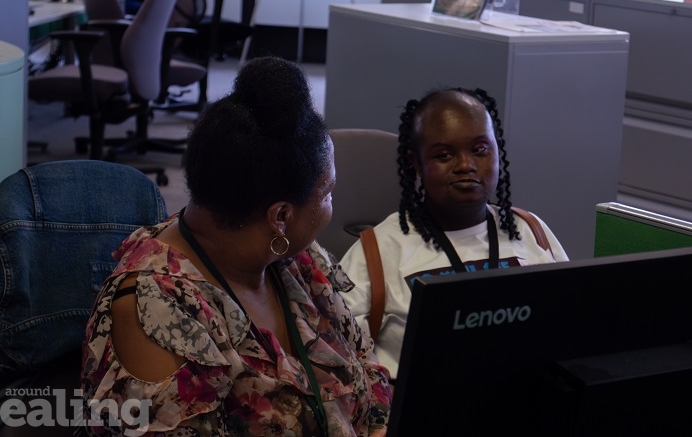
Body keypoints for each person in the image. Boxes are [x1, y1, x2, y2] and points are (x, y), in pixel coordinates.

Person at [81, 56, 392, 436]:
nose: (332, 206)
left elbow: (365, 366)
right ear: (280, 216)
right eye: (327, 193)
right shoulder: (153, 313)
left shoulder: (296, 258)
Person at [339, 86, 569, 381]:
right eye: (444, 154)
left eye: (479, 149)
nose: (465, 165)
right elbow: (338, 359)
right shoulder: (378, 251)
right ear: (416, 163)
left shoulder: (530, 230)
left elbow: (568, 325)